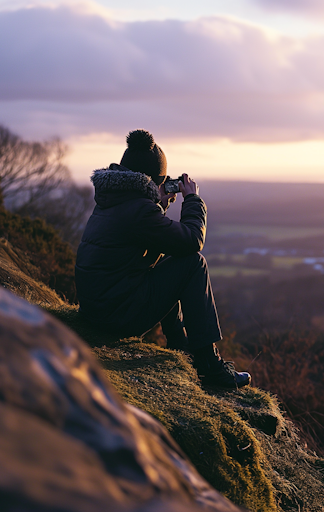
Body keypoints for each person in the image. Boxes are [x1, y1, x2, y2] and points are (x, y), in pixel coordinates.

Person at [75, 129, 251, 388]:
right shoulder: (139, 211)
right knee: (193, 263)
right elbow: (192, 241)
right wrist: (192, 199)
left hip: (98, 309)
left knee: (170, 261)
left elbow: (150, 237)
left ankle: (181, 347)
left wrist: (158, 205)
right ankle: (209, 367)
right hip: (115, 318)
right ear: (153, 181)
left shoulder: (112, 200)